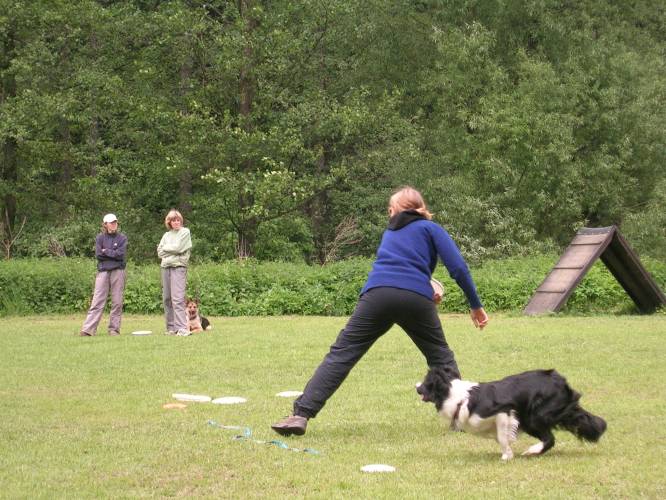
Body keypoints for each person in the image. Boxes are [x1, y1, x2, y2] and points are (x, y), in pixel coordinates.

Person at [271, 186, 489, 436]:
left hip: (378, 295)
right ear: (421, 209)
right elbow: (458, 267)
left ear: (394, 210)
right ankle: (459, 418)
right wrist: (474, 304)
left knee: (342, 354)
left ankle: (300, 414)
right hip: (416, 298)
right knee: (440, 357)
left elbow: (399, 267)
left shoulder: (390, 232)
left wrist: (422, 284)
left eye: (390, 209)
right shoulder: (430, 228)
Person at [80, 213, 128, 337]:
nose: (114, 224)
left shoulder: (122, 238)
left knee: (117, 302)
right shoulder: (100, 238)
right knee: (97, 301)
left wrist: (106, 251)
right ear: (105, 224)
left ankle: (114, 330)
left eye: (115, 222)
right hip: (103, 271)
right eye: (111, 223)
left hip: (118, 271)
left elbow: (121, 255)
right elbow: (98, 255)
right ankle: (88, 329)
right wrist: (112, 253)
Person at [157, 209, 192, 337]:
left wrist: (167, 250)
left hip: (178, 267)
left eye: (178, 220)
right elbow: (159, 252)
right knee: (167, 298)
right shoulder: (166, 235)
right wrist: (172, 251)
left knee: (177, 298)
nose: (176, 222)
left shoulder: (185, 232)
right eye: (173, 220)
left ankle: (182, 328)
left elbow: (179, 248)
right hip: (165, 267)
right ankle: (171, 328)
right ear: (169, 222)